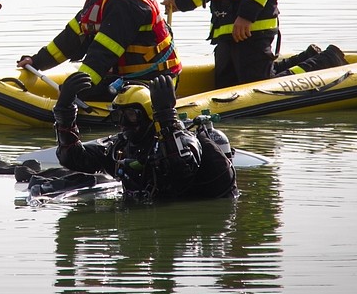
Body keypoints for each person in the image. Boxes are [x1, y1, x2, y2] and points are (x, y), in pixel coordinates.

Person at [17, 0, 181, 103]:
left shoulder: (123, 2)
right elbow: (71, 37)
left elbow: (103, 52)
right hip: (125, 77)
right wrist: (37, 60)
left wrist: (77, 89)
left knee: (76, 92)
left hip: (153, 82)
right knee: (75, 88)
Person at [53, 73, 237, 202]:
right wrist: (64, 112)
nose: (123, 122)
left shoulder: (185, 141)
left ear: (149, 115)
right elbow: (73, 158)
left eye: (131, 115)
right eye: (119, 116)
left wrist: (166, 118)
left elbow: (180, 173)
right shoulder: (121, 147)